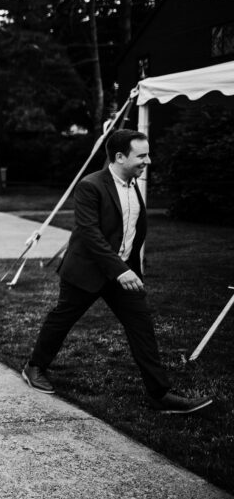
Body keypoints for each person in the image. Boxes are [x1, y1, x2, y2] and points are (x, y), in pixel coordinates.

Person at [21, 129, 213, 414]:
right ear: (120, 157)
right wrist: (119, 270)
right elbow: (89, 232)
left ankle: (159, 395)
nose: (148, 160)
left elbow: (131, 231)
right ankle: (34, 367)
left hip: (122, 274)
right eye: (142, 155)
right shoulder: (91, 185)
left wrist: (130, 268)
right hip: (87, 271)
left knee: (142, 327)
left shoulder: (133, 183)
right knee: (62, 320)